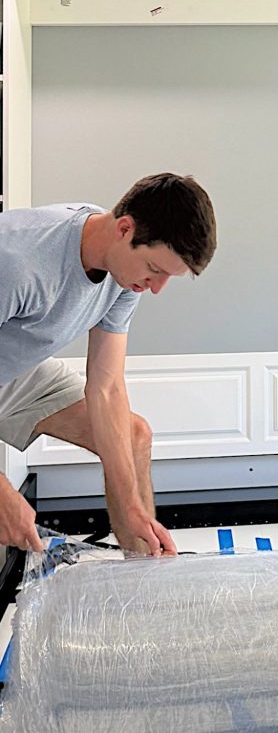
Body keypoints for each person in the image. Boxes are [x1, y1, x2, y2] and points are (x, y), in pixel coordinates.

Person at [0, 172, 217, 555]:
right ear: (124, 229)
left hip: (13, 372)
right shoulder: (18, 263)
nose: (156, 288)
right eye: (155, 269)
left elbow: (107, 387)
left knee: (133, 438)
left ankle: (143, 572)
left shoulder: (124, 273)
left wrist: (131, 506)